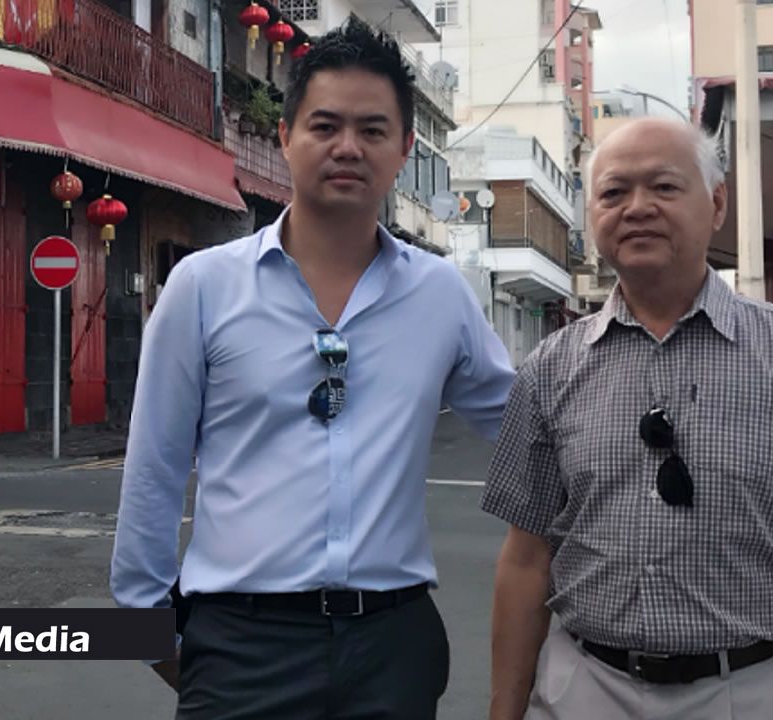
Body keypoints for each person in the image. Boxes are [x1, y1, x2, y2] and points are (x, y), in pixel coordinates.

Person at [109, 17, 514, 720]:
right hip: (238, 646)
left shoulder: (439, 294)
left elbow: (526, 422)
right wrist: (156, 631)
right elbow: (154, 469)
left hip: (393, 645)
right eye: (325, 125)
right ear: (286, 133)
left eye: (373, 130)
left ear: (404, 149)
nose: (347, 147)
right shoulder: (204, 288)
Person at [480, 117, 773, 720]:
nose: (637, 207)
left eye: (665, 188)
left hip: (743, 692)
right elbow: (525, 558)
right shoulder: (550, 367)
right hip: (583, 688)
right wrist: (504, 710)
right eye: (614, 192)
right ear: (591, 215)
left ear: (716, 203)